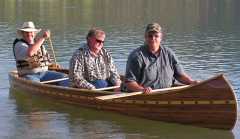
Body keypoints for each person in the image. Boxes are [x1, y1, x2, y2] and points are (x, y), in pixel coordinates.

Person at [124, 23, 197, 94]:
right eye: (150, 36)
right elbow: (129, 82)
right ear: (145, 37)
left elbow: (179, 75)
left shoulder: (169, 53)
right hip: (144, 96)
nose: (153, 38)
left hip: (168, 94)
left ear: (161, 37)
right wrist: (142, 89)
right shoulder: (136, 56)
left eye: (156, 36)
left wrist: (191, 82)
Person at [13, 21, 68, 86]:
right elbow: (30, 53)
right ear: (22, 33)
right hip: (29, 75)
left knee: (65, 78)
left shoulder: (38, 44)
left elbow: (43, 59)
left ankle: (70, 92)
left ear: (34, 33)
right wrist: (43, 38)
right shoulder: (19, 45)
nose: (29, 34)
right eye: (26, 32)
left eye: (31, 32)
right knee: (36, 85)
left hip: (44, 73)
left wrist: (51, 65)